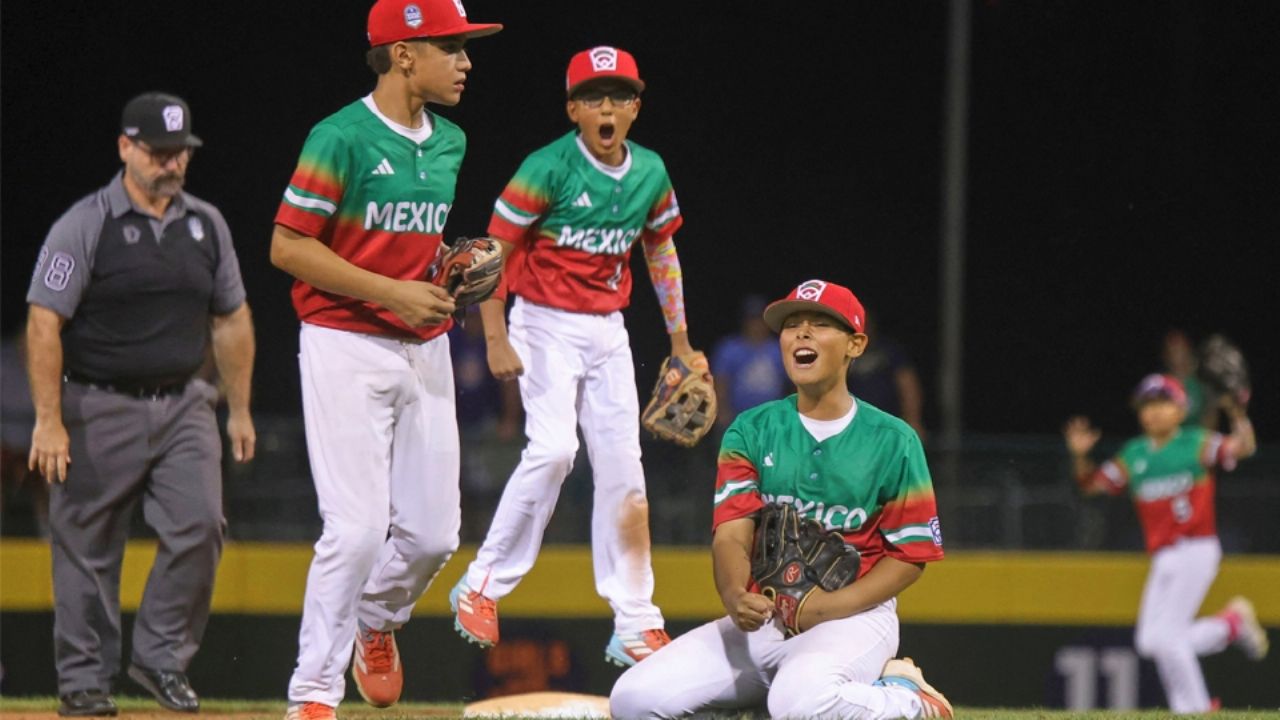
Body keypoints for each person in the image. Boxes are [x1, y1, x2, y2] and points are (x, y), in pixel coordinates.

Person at [268, 1, 501, 718]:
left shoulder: (453, 140)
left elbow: (406, 244)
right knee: (358, 529)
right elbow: (288, 247)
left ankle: (377, 618)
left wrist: (442, 270)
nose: (465, 62)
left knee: (434, 536)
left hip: (424, 349)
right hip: (344, 342)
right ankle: (313, 693)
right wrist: (391, 293)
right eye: (451, 47)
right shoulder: (339, 137)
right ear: (403, 53)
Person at [450, 46, 705, 668]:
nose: (607, 106)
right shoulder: (547, 167)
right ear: (573, 109)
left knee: (626, 473)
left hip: (607, 331)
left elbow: (660, 252)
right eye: (593, 96)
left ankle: (635, 621)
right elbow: (492, 252)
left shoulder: (649, 170)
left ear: (636, 107)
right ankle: (481, 585)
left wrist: (680, 342)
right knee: (556, 449)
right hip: (542, 324)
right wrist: (494, 337)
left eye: (619, 95)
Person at [610, 279, 952, 720]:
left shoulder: (893, 440)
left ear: (856, 344)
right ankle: (770, 696)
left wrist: (829, 607)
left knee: (798, 705)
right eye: (792, 325)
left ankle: (908, 701)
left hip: (853, 617)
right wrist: (734, 595)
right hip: (766, 618)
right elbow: (732, 536)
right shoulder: (751, 430)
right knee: (633, 698)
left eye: (819, 324)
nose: (801, 333)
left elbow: (910, 557)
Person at [25, 91, 256, 717]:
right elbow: (44, 321)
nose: (172, 164)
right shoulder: (85, 223)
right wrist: (48, 419)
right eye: (159, 152)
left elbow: (232, 317)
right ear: (125, 147)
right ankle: (84, 681)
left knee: (202, 525)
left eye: (181, 153)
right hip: (97, 404)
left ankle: (160, 657)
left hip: (184, 403)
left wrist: (238, 408)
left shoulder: (206, 224)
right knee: (86, 545)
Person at [1063, 373, 1269, 715]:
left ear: (1180, 408)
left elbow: (1243, 447)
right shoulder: (1135, 454)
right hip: (1164, 557)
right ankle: (1231, 624)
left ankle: (1197, 709)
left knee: (1169, 640)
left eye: (1162, 403)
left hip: (1197, 548)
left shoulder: (1196, 442)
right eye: (1147, 405)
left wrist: (1238, 414)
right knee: (1151, 641)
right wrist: (1079, 457)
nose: (1154, 411)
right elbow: (1091, 484)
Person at [710, 294, 788, 429]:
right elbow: (721, 382)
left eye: (759, 320)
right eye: (752, 320)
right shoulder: (730, 348)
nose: (756, 325)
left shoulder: (779, 349)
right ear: (744, 322)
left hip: (772, 419)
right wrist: (722, 410)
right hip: (738, 418)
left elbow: (794, 383)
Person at [847, 310, 926, 441]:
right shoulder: (843, 354)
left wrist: (914, 419)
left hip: (888, 424)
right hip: (851, 425)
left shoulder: (889, 351)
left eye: (866, 324)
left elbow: (908, 385)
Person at [1159, 328, 1217, 430]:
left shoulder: (1203, 380)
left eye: (1180, 349)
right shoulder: (1160, 383)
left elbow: (1211, 413)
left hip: (1198, 439)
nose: (1177, 355)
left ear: (1189, 350)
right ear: (1165, 355)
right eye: (1172, 351)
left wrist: (1202, 441)